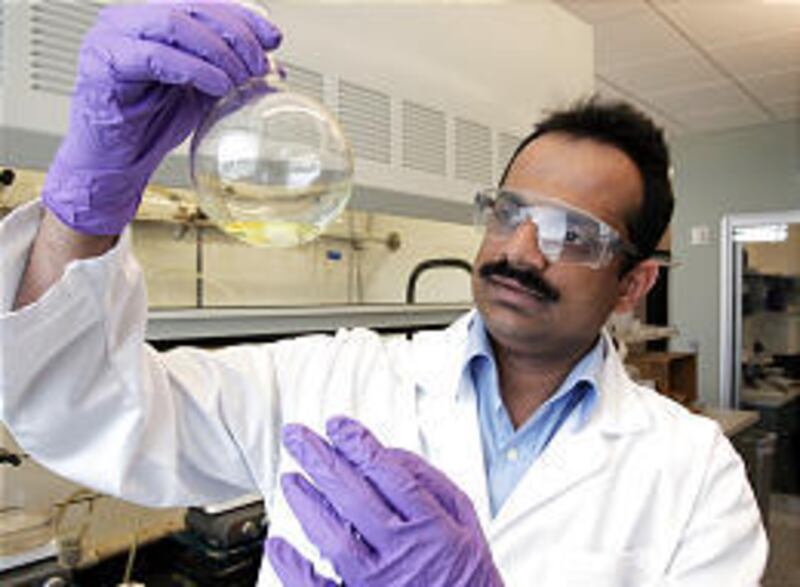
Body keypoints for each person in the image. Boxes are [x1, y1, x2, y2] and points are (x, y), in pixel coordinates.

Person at [0, 2, 766, 586]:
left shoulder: (694, 471)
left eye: (572, 235)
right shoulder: (333, 380)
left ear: (634, 282)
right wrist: (85, 206)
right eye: (509, 212)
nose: (518, 250)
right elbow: (82, 404)